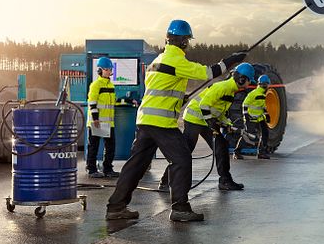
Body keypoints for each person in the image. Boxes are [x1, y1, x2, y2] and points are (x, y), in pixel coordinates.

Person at [106, 19, 247, 222]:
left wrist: (179, 99)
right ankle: (180, 208)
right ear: (182, 41)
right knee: (181, 159)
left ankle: (115, 207)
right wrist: (231, 60)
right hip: (161, 123)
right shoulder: (177, 61)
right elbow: (208, 73)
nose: (187, 44)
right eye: (187, 40)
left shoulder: (158, 60)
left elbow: (158, 90)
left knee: (136, 165)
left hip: (145, 119)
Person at [159, 62, 255, 192]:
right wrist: (212, 123)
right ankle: (165, 182)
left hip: (205, 120)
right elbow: (204, 105)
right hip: (194, 118)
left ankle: (225, 181)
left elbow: (218, 113)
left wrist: (228, 125)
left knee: (221, 146)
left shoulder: (231, 92)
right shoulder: (222, 87)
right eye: (249, 81)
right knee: (184, 152)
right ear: (242, 79)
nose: (249, 84)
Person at [86, 56, 119, 178]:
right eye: (107, 69)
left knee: (111, 147)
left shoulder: (111, 85)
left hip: (108, 123)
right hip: (97, 122)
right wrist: (95, 118)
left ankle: (108, 169)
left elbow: (111, 103)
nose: (110, 71)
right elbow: (92, 102)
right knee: (93, 147)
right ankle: (91, 170)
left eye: (110, 69)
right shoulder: (96, 85)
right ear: (100, 70)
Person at [243, 74, 272, 159]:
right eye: (266, 84)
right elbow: (245, 104)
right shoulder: (254, 93)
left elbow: (262, 107)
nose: (267, 86)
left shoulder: (263, 94)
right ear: (264, 84)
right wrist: (246, 115)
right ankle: (237, 151)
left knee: (265, 133)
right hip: (251, 118)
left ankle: (261, 152)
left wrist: (267, 115)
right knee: (248, 135)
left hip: (259, 118)